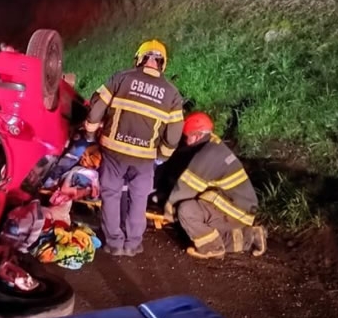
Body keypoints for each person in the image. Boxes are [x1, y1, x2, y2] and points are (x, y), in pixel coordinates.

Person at [84, 39, 184, 256]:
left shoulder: (121, 78)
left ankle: (114, 243)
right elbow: (175, 132)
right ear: (162, 63)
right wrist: (162, 156)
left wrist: (90, 134)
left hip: (113, 151)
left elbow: (96, 108)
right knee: (139, 198)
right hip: (145, 157)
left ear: (140, 58)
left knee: (111, 195)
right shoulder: (172, 93)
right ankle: (132, 244)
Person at [163, 111, 267, 259]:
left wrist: (168, 211)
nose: (186, 141)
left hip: (235, 211)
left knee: (187, 212)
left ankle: (212, 248)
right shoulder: (214, 145)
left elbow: (185, 189)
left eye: (188, 136)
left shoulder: (206, 155)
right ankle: (251, 237)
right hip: (241, 209)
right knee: (200, 230)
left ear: (197, 135)